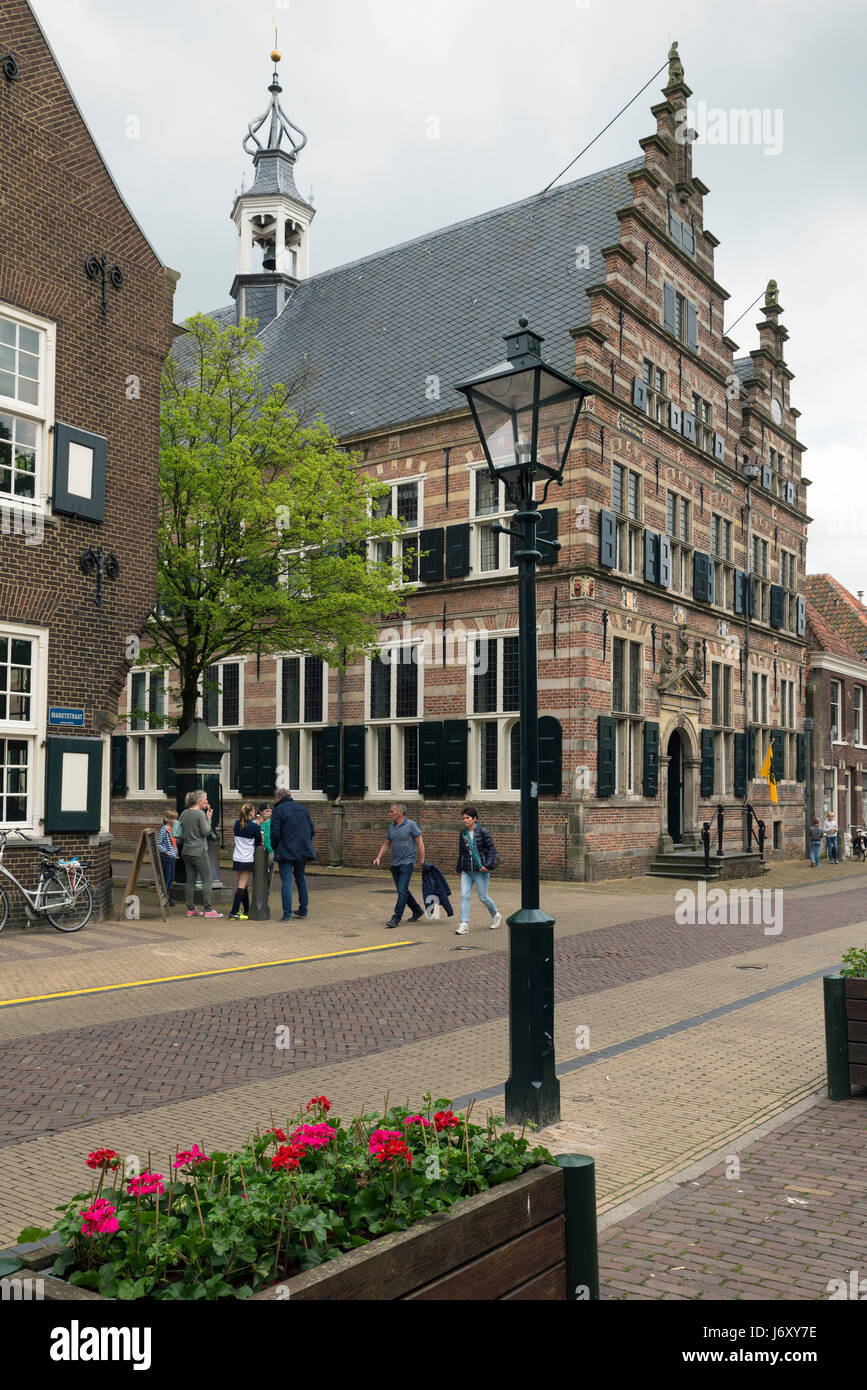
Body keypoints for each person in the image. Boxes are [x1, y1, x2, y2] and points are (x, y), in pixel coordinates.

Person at [374, 803, 426, 929]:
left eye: (391, 811)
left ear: (400, 812)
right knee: (403, 891)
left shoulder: (411, 825)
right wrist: (378, 857)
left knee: (402, 890)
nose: (389, 814)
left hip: (407, 863)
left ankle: (396, 918)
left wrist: (421, 860)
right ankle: (417, 910)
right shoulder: (391, 827)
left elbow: (420, 843)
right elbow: (386, 844)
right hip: (394, 864)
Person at [269, 789, 316, 922]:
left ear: (278, 798)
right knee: (301, 878)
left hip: (286, 849)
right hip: (302, 849)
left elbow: (275, 832)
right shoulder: (302, 809)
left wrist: (275, 847)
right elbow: (312, 830)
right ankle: (303, 910)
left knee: (287, 881)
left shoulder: (278, 810)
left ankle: (287, 914)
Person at [455, 806, 502, 936]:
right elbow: (461, 852)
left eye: (467, 818)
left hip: (480, 870)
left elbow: (492, 850)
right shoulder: (462, 833)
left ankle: (495, 914)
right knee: (464, 896)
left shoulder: (483, 831)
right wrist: (459, 868)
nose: (465, 820)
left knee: (483, 897)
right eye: (463, 818)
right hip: (466, 871)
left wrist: (486, 865)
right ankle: (463, 924)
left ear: (475, 819)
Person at [178, 790, 223, 918]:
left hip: (186, 850)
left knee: (190, 880)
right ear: (199, 801)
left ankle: (190, 909)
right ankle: (208, 910)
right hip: (199, 851)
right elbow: (205, 832)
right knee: (207, 880)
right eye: (205, 799)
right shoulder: (200, 814)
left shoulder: (184, 813)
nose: (207, 802)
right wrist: (208, 819)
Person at [229, 803, 262, 920]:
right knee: (242, 886)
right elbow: (258, 843)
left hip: (237, 857)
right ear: (252, 813)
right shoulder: (255, 827)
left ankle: (246, 911)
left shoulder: (237, 824)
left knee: (243, 885)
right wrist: (258, 826)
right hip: (247, 859)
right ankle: (233, 912)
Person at [156, 812, 179, 907]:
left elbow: (175, 841)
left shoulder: (173, 830)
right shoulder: (163, 830)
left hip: (173, 857)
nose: (176, 821)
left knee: (171, 878)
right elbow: (159, 844)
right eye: (174, 819)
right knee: (167, 878)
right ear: (169, 819)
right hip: (166, 858)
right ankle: (163, 898)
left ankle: (166, 897)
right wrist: (167, 852)